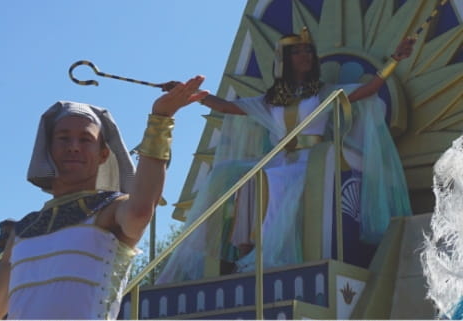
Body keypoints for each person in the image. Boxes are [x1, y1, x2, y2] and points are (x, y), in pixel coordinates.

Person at [159, 29, 413, 281]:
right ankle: (243, 251)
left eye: (308, 51)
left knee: (272, 179)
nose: (305, 56)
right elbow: (228, 107)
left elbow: (366, 90)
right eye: (298, 52)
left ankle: (265, 256)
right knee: (234, 176)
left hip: (313, 161)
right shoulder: (272, 100)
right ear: (285, 60)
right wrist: (190, 95)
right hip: (281, 159)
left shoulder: (323, 92)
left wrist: (394, 60)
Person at [0, 77, 208, 320]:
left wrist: (161, 120)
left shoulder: (110, 209)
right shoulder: (23, 231)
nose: (74, 146)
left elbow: (140, 211)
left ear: (103, 155)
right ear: (49, 149)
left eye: (85, 139)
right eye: (64, 138)